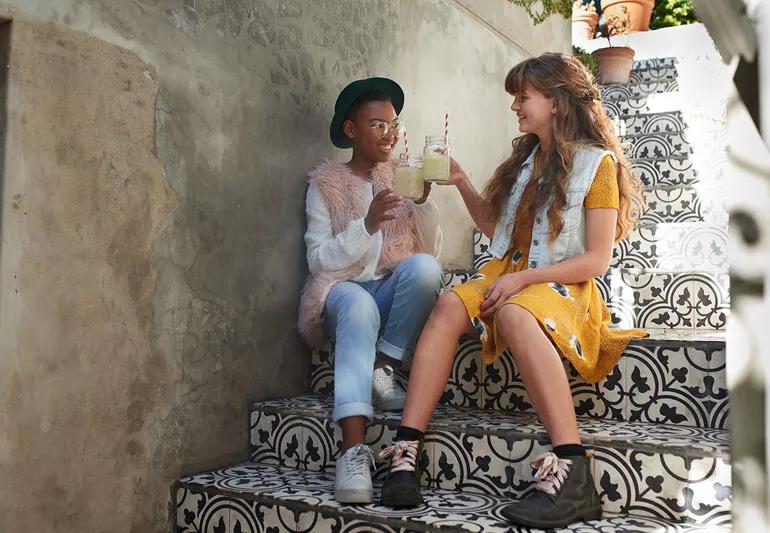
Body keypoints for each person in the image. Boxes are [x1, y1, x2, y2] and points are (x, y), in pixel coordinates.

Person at [378, 53, 647, 529]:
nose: (515, 106)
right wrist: (459, 179)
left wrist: (522, 280)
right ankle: (406, 449)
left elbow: (597, 260)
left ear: (557, 101)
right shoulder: (526, 161)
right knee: (447, 303)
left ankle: (572, 467)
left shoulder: (597, 165)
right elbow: (496, 230)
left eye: (523, 96)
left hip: (564, 286)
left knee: (515, 313)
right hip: (511, 273)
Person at [297, 77, 443, 504]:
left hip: (385, 290)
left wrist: (422, 202)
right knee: (358, 304)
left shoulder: (398, 176)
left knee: (425, 269)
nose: (389, 134)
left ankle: (383, 365)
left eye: (393, 124)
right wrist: (367, 225)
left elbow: (429, 250)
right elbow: (318, 261)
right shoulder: (324, 185)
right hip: (339, 293)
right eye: (376, 124)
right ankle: (352, 450)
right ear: (350, 130)